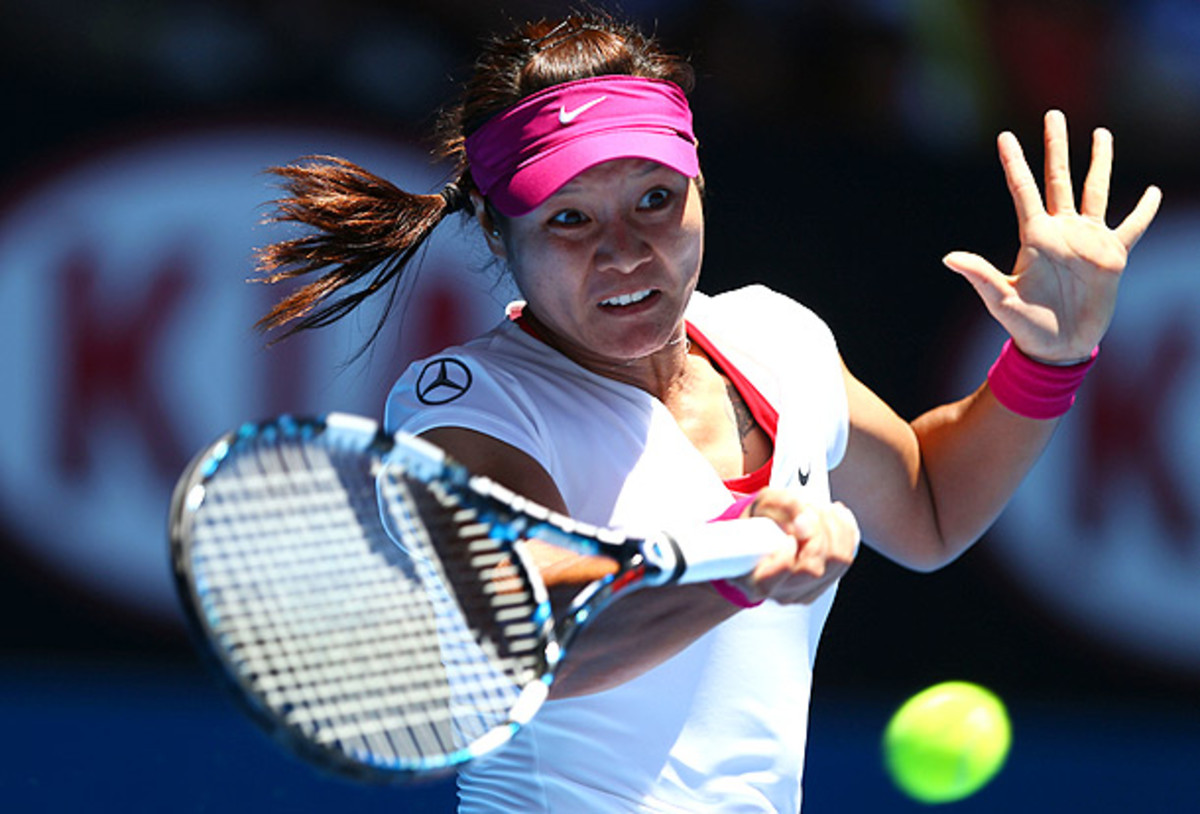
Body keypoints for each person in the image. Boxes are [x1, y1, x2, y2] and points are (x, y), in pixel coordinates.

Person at [253, 12, 1161, 813]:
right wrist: (739, 568)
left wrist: (1049, 356)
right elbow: (522, 638)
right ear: (497, 231)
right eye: (569, 219)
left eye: (655, 198)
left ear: (700, 188)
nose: (624, 253)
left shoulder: (780, 340)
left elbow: (929, 511)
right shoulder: (470, 408)